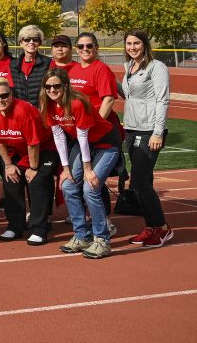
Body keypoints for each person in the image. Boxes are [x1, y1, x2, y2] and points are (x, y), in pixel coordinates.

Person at [42, 68, 120, 260]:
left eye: (56, 86)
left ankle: (102, 239)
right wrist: (65, 169)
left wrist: (88, 170)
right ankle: (81, 235)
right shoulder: (48, 105)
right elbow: (59, 137)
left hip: (106, 144)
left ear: (65, 86)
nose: (52, 90)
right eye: (48, 86)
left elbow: (83, 136)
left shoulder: (77, 103)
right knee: (67, 185)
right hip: (83, 145)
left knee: (90, 187)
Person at [0, 77, 58, 245]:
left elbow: (34, 144)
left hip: (44, 148)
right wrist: (8, 165)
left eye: (4, 95)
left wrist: (32, 168)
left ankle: (39, 227)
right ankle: (15, 226)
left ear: (11, 94)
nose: (0, 100)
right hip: (17, 150)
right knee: (11, 179)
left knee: (36, 181)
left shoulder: (23, 111)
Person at [121, 29, 174, 248]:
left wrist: (157, 132)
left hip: (149, 132)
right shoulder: (128, 67)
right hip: (131, 129)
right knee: (144, 182)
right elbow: (130, 96)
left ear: (145, 45)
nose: (132, 47)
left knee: (140, 181)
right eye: (128, 43)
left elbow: (162, 100)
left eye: (136, 43)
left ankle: (162, 228)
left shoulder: (156, 67)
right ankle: (150, 227)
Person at [70, 31, 124, 217]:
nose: (85, 49)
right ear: (76, 49)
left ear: (96, 48)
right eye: (81, 46)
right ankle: (81, 225)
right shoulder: (73, 70)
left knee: (92, 184)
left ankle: (103, 223)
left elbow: (108, 100)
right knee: (71, 182)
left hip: (101, 134)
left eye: (89, 46)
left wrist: (95, 126)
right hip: (81, 134)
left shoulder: (101, 69)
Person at [9, 24, 52, 105]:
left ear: (39, 43)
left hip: (40, 113)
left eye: (35, 39)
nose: (31, 42)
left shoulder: (47, 63)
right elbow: (11, 91)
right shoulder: (13, 65)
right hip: (20, 112)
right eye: (27, 39)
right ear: (20, 43)